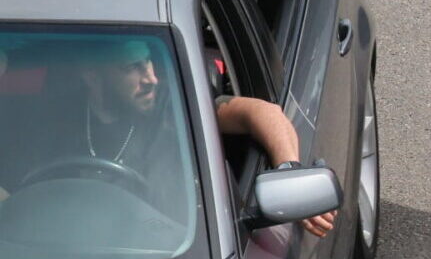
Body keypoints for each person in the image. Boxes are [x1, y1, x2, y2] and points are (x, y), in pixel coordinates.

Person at [12, 38, 333, 237]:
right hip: (65, 248)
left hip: (162, 251)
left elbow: (263, 113)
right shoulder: (54, 120)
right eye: (133, 68)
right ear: (93, 76)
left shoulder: (174, 105)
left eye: (150, 63)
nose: (150, 78)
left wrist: (289, 170)